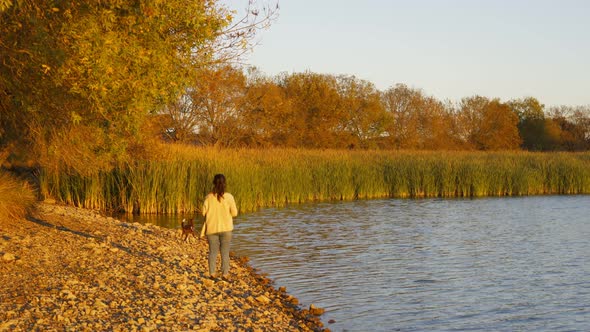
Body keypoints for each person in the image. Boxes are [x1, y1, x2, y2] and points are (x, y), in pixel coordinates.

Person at [200, 174, 238, 280]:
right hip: (226, 228)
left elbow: (203, 213)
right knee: (225, 252)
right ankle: (225, 274)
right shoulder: (229, 197)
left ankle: (212, 273)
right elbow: (234, 213)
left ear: (213, 183)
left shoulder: (208, 197)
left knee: (213, 252)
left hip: (211, 228)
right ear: (225, 183)